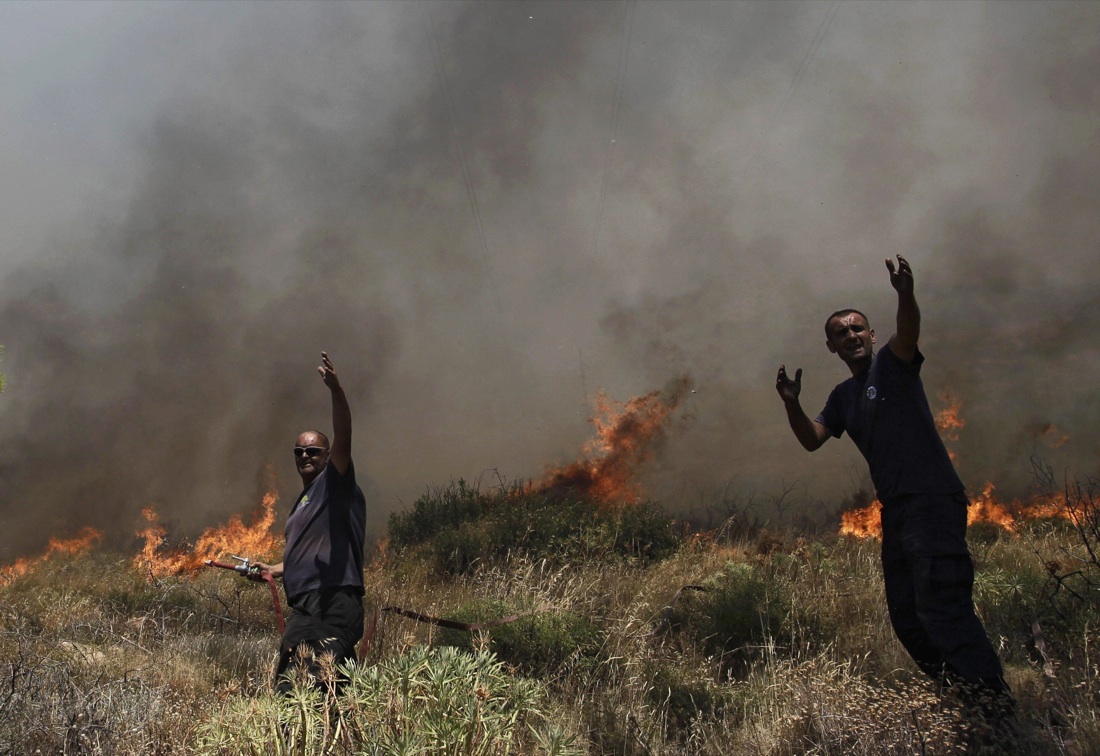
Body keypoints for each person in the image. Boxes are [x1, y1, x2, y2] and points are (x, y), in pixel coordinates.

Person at [775, 256, 1011, 710]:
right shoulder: (842, 397)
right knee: (908, 618)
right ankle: (964, 699)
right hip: (897, 513)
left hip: (933, 500)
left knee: (944, 609)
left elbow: (910, 330)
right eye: (841, 332)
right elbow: (811, 440)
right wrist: (791, 404)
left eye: (858, 328)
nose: (852, 335)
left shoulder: (894, 365)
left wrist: (905, 292)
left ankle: (996, 710)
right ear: (832, 347)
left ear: (873, 335)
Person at [257, 351, 367, 694]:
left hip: (334, 602)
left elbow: (344, 435)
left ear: (327, 454)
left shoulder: (335, 482)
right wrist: (273, 568)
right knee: (291, 687)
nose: (304, 455)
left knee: (324, 683)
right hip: (304, 606)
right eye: (298, 452)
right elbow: (301, 555)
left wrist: (336, 391)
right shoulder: (301, 506)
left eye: (313, 451)